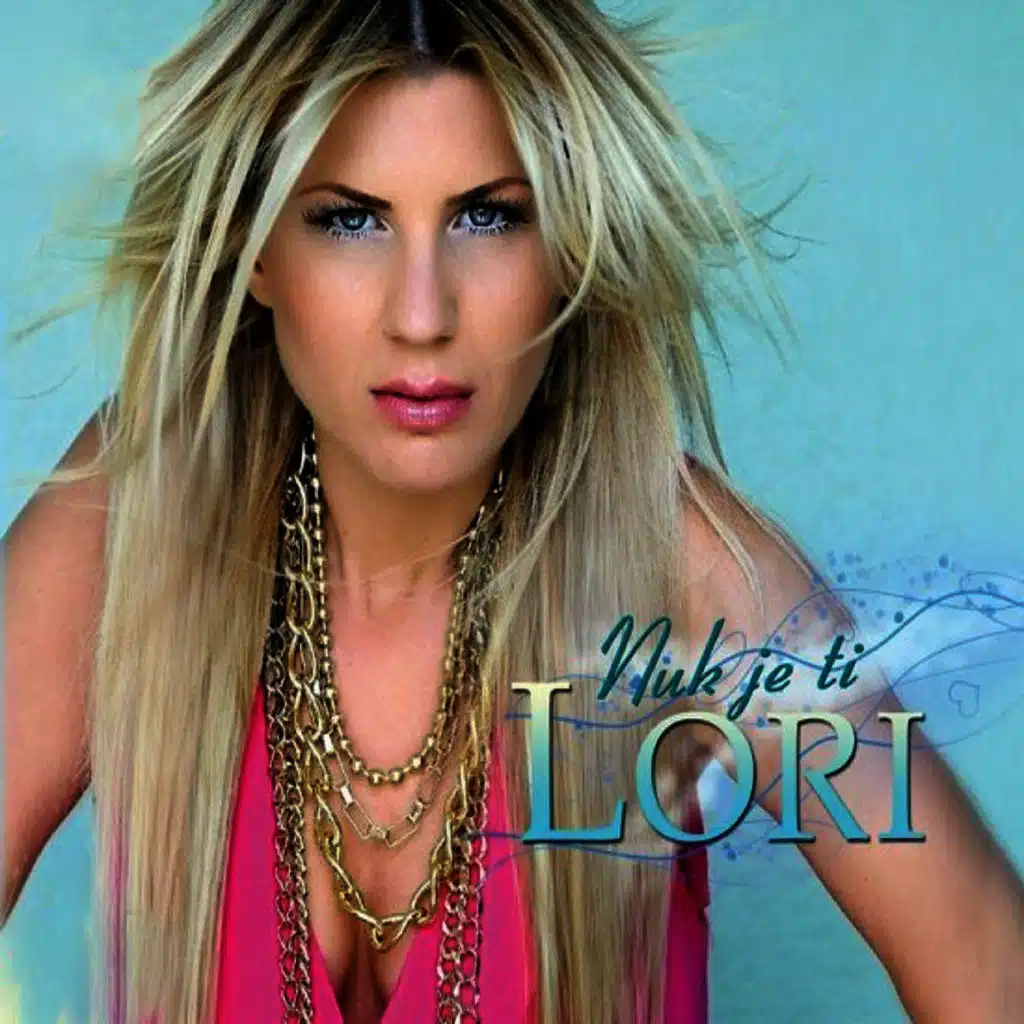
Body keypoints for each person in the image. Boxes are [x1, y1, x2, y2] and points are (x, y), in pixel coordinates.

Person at [3, 1, 1022, 1022]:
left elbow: (989, 967)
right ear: (256, 249)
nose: (421, 315)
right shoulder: (133, 517)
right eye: (350, 219)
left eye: (487, 216)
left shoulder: (683, 575)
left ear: (569, 245)